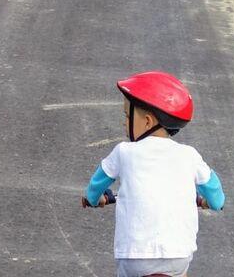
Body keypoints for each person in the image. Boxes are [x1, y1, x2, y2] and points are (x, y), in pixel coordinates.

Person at [80, 71, 225, 277]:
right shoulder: (189, 155)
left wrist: (94, 199)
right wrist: (210, 202)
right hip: (178, 256)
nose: (124, 122)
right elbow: (216, 195)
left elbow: (96, 184)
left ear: (147, 122)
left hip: (134, 257)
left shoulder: (124, 152)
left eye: (128, 116)